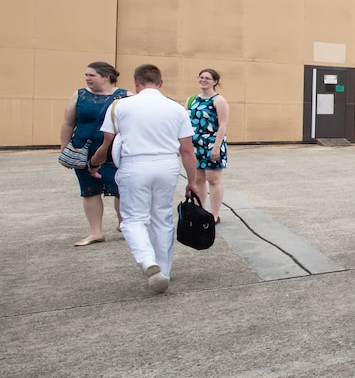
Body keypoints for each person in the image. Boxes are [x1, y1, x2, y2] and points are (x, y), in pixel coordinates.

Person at [89, 64, 202, 294]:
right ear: (160, 83)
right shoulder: (176, 108)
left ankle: (147, 261)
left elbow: (107, 143)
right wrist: (192, 181)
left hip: (134, 164)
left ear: (136, 83)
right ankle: (165, 269)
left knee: (132, 219)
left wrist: (94, 164)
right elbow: (187, 150)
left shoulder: (119, 107)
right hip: (167, 164)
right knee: (162, 217)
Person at [60, 62, 128, 246]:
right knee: (90, 190)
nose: (88, 79)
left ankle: (125, 225)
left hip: (113, 152)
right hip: (83, 150)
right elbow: (68, 123)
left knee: (120, 188)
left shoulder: (125, 96)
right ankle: (95, 232)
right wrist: (65, 148)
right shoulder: (79, 95)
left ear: (106, 77)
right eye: (86, 75)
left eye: (92, 75)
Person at [187, 68, 230, 220]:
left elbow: (223, 125)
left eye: (208, 78)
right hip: (196, 144)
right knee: (198, 179)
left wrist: (216, 147)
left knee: (213, 179)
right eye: (201, 77)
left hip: (212, 143)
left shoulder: (219, 100)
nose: (203, 80)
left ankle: (214, 213)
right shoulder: (192, 99)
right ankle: (201, 210)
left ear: (215, 82)